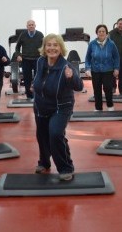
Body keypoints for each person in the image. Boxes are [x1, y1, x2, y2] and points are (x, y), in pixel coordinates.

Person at [32, 34, 84, 181]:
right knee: (42, 136)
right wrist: (37, 87)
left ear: (61, 48)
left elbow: (79, 86)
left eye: (55, 45)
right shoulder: (41, 61)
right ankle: (44, 162)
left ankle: (66, 167)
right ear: (44, 47)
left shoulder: (66, 66)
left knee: (54, 134)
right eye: (49, 45)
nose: (52, 48)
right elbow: (40, 80)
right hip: (41, 105)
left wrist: (71, 77)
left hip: (61, 107)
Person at [85, 24, 120, 111]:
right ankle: (98, 108)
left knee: (108, 89)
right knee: (97, 90)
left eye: (103, 31)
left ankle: (110, 106)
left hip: (108, 70)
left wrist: (116, 68)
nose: (101, 33)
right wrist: (87, 68)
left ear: (106, 33)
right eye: (99, 31)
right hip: (95, 70)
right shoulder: (92, 44)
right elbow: (87, 57)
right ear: (97, 33)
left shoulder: (111, 44)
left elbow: (116, 57)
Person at [15, 20, 44, 99]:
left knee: (37, 77)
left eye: (32, 25)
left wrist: (43, 54)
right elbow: (17, 47)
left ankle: (37, 95)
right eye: (29, 25)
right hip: (25, 60)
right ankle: (29, 96)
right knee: (27, 78)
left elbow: (44, 46)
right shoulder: (23, 34)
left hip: (37, 59)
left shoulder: (40, 34)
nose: (31, 26)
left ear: (35, 25)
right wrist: (18, 55)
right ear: (27, 26)